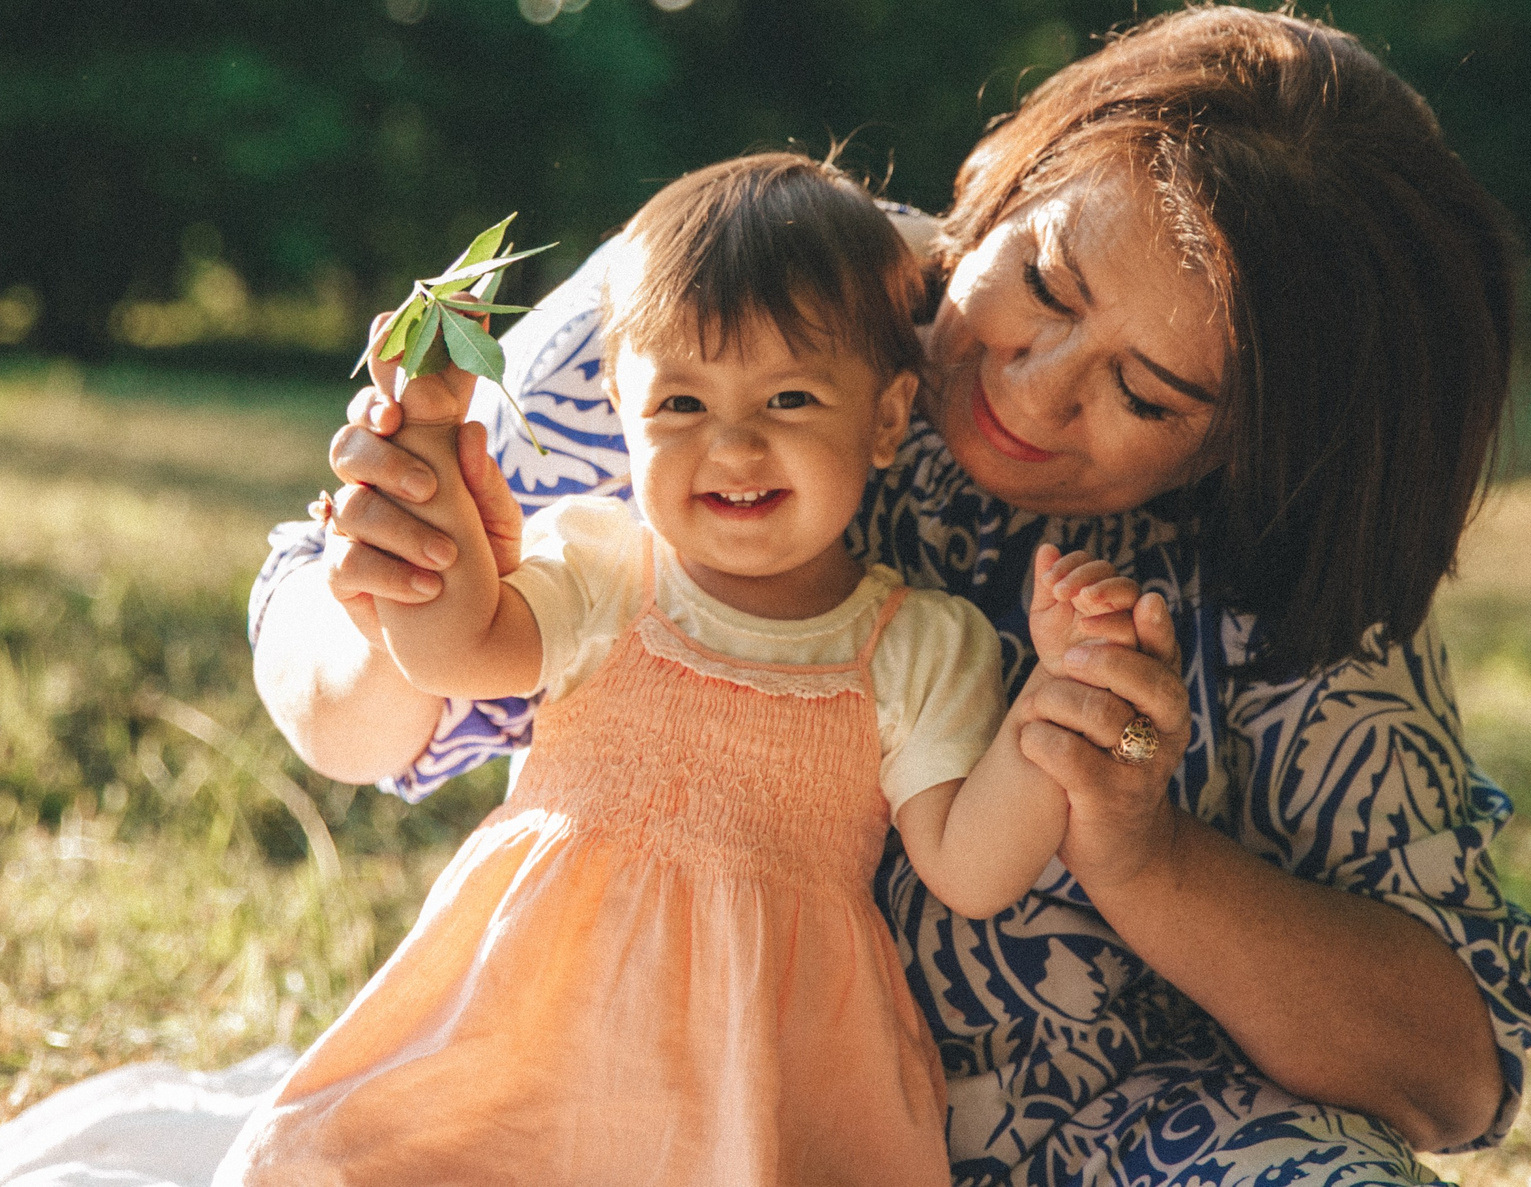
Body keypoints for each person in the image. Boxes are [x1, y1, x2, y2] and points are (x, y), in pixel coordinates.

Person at [250, 4, 1531, 1185]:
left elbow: (1444, 1074)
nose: (1033, 388)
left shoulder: (1293, 564)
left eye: (1147, 393)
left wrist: (1139, 849)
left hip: (1094, 1138)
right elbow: (363, 714)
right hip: (628, 1083)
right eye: (1044, 280)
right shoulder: (750, 300)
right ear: (1021, 175)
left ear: (1259, 441)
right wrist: (396, 578)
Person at [221, 154, 1156, 1187]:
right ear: (621, 411)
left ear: (885, 418)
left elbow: (970, 871)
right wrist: (434, 452)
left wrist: (1055, 702)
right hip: (534, 1023)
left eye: (790, 397)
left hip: (761, 1068)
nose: (733, 444)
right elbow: (451, 652)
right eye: (678, 407)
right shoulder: (604, 568)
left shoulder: (916, 643)